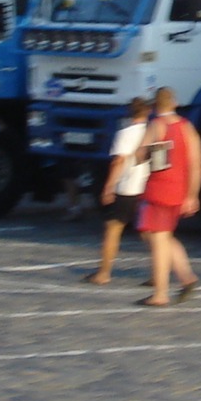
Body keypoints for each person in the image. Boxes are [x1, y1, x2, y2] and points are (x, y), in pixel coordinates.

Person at [135, 87, 201, 308]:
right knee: (160, 235)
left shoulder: (156, 125)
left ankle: (160, 293)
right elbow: (196, 163)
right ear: (174, 102)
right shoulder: (186, 127)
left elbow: (139, 155)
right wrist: (192, 195)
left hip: (159, 189)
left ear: (155, 106)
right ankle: (186, 276)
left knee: (159, 240)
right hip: (179, 190)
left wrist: (151, 153)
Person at [82, 97, 151, 284]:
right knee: (148, 231)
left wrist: (109, 186)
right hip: (146, 185)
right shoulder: (152, 132)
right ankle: (157, 272)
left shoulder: (126, 133)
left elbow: (118, 161)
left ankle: (104, 272)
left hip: (127, 187)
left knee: (113, 228)